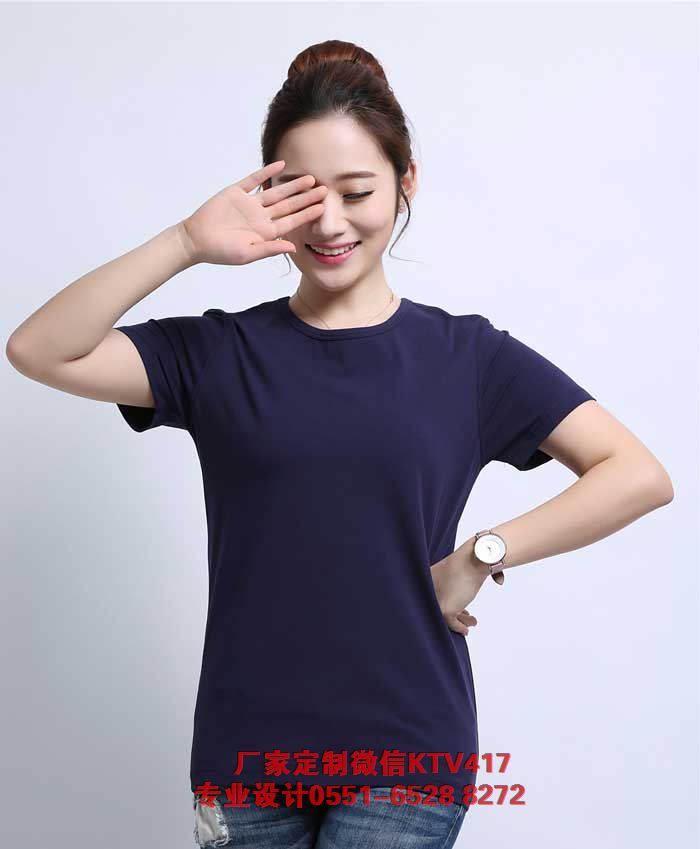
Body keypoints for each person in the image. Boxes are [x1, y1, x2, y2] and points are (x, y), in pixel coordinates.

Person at [6, 39, 674, 849]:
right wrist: (185, 241)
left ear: (405, 183)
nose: (328, 223)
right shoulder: (218, 353)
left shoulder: (467, 358)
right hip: (245, 758)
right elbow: (40, 349)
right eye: (301, 195)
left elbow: (636, 473)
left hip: (406, 751)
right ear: (268, 195)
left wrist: (486, 550)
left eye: (357, 192)